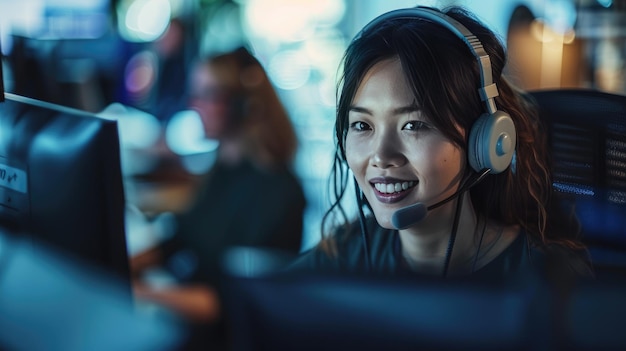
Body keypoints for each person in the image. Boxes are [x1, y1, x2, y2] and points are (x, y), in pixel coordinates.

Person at [288, 6, 593, 280]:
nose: (381, 156)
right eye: (362, 125)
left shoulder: (549, 279)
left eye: (414, 125)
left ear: (485, 140)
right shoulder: (345, 254)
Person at [131, 46, 307, 349]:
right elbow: (179, 238)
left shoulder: (279, 193)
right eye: (194, 93)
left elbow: (228, 302)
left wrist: (139, 292)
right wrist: (117, 262)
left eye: (207, 94)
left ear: (243, 106)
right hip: (188, 317)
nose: (194, 104)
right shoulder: (222, 167)